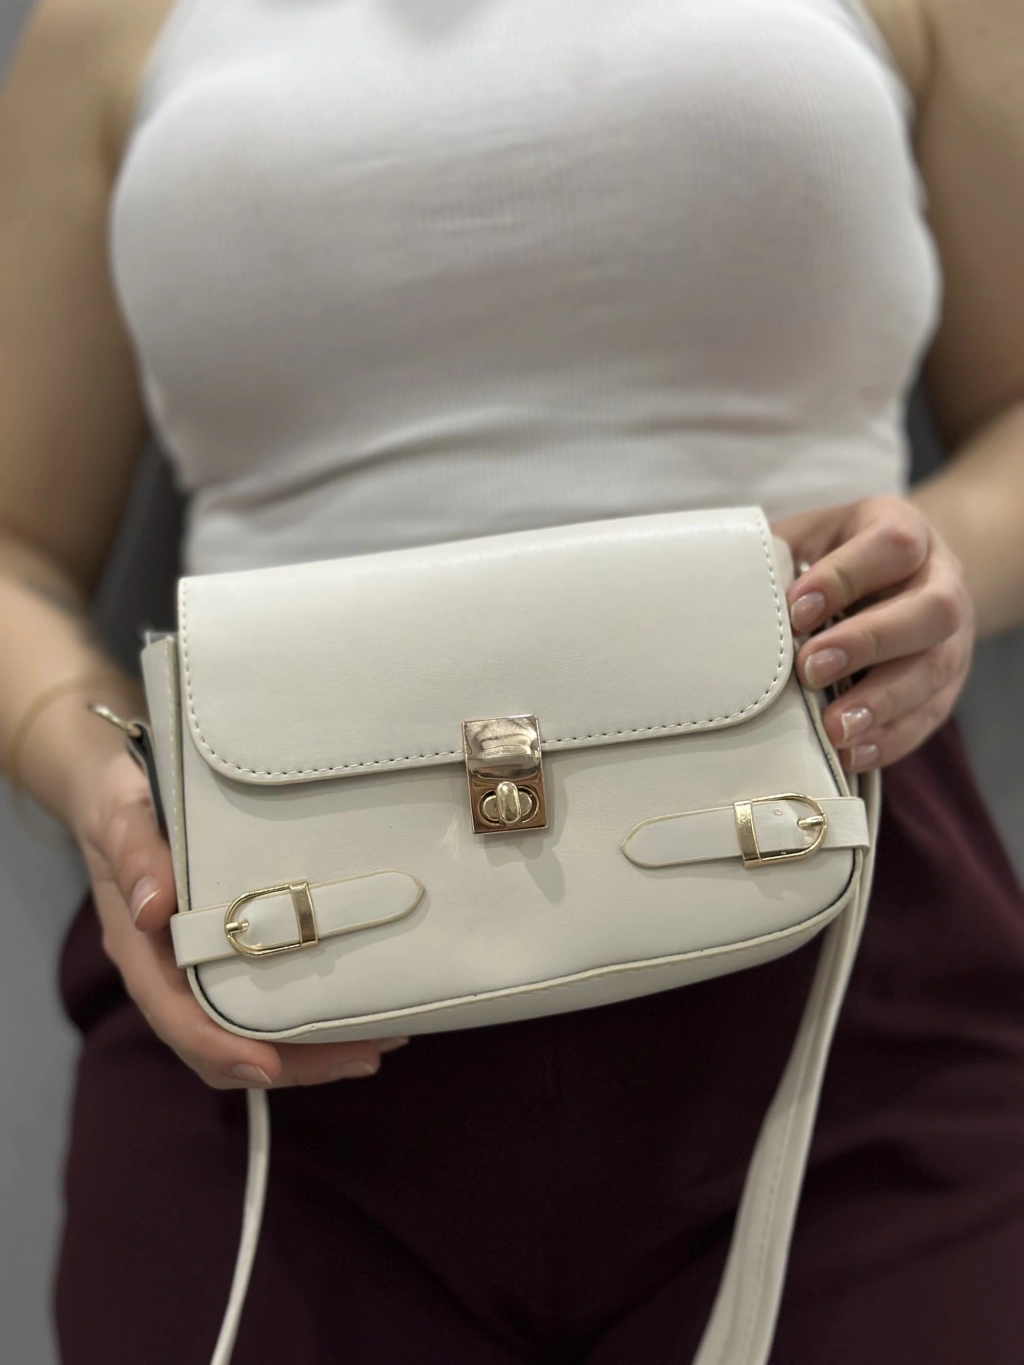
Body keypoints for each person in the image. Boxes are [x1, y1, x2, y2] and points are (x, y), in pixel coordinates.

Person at [2, 0, 1023, 1359]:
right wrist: (101, 782)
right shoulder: (103, 25)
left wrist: (936, 568)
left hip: (837, 948)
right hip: (268, 993)